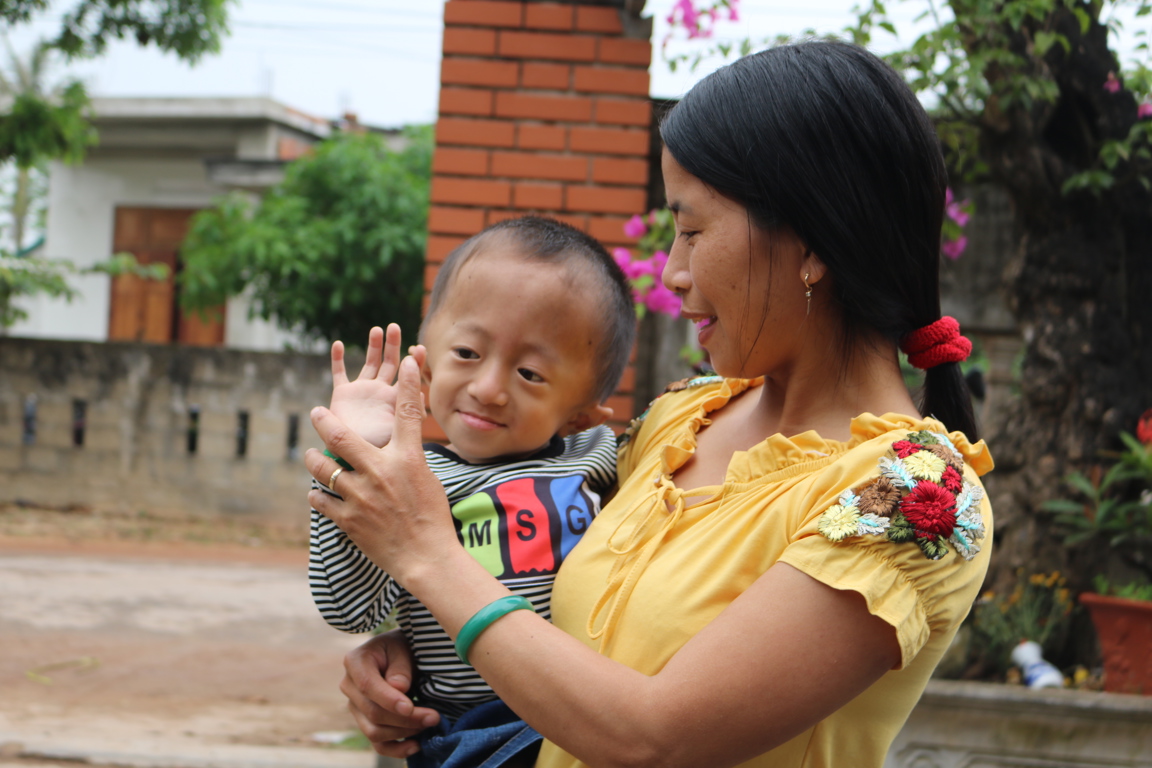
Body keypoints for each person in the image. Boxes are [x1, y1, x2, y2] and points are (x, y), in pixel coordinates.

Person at [308, 40, 994, 768]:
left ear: (813, 244)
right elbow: (524, 578)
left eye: (694, 230)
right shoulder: (682, 419)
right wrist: (409, 650)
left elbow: (656, 737)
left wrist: (429, 560)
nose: (672, 273)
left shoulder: (916, 497)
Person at [309, 216, 636, 767]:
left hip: (580, 716)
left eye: (530, 374)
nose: (488, 389)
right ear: (426, 361)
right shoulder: (407, 484)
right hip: (458, 733)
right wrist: (354, 460)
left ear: (582, 414)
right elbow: (351, 609)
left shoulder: (604, 461)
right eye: (466, 353)